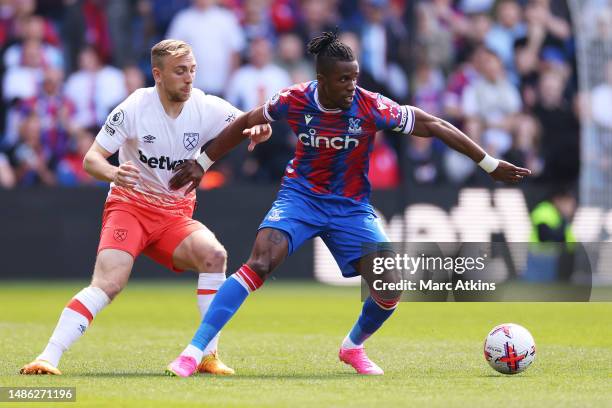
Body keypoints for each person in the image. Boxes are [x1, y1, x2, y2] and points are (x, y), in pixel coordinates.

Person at [165, 31, 530, 377]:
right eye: (343, 80)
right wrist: (203, 162)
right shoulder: (293, 99)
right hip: (300, 197)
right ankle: (194, 351)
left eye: (355, 78)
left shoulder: (371, 106)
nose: (351, 86)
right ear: (321, 79)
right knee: (260, 261)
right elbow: (246, 121)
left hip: (351, 206)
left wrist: (489, 163)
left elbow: (432, 124)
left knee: (390, 287)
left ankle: (353, 347)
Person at [19, 39, 271, 376]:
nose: (189, 78)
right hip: (130, 207)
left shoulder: (205, 105)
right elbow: (92, 159)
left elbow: (247, 123)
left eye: (192, 70)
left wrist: (260, 129)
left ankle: (208, 355)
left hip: (174, 216)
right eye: (180, 71)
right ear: (158, 74)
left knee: (215, 256)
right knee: (109, 283)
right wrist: (113, 172)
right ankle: (47, 357)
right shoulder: (134, 107)